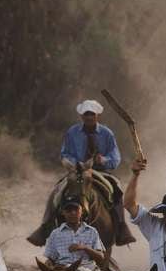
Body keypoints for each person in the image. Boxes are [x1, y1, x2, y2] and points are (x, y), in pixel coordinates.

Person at [28, 99, 135, 247]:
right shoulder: (72, 132)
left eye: (92, 114)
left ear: (97, 115)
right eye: (86, 114)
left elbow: (115, 157)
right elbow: (65, 152)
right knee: (57, 190)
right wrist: (75, 163)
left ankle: (122, 228)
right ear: (81, 116)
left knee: (117, 187)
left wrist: (103, 160)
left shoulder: (107, 133)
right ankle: (45, 226)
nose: (89, 117)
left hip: (100, 171)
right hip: (77, 170)